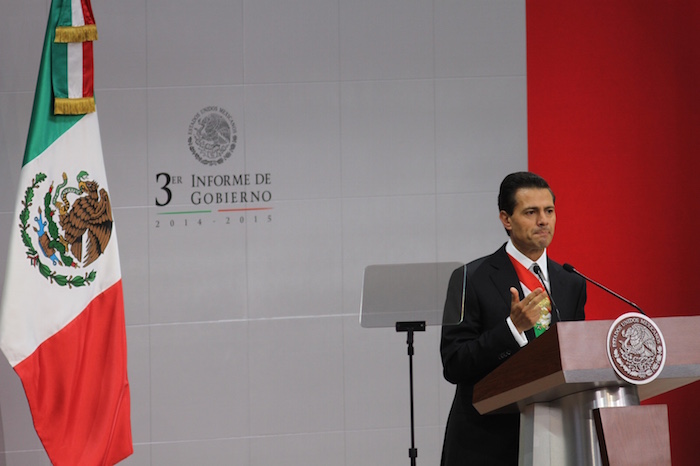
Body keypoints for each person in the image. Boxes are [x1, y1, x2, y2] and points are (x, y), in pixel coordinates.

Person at [440, 171, 586, 465]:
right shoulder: (470, 278)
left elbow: (574, 357)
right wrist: (512, 329)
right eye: (530, 212)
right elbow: (454, 363)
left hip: (556, 438)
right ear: (506, 219)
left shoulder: (570, 281)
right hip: (486, 443)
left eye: (549, 211)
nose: (543, 221)